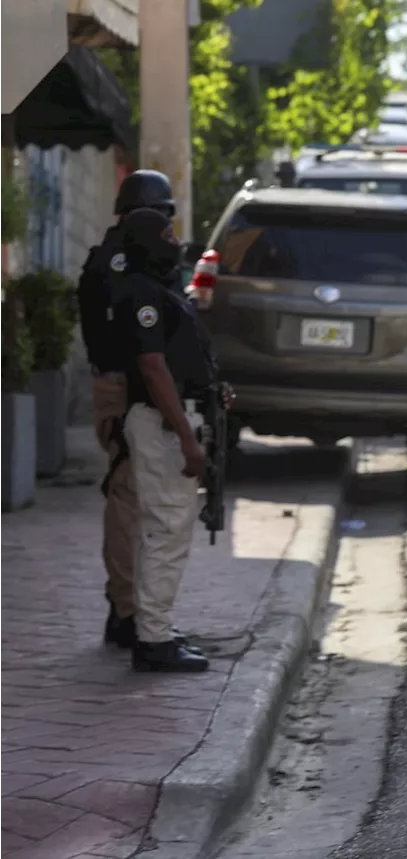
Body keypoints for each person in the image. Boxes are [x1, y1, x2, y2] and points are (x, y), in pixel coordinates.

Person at [77, 170, 197, 654]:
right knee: (128, 499)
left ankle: (135, 610)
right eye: (162, 218)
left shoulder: (113, 258)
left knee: (141, 501)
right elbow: (138, 343)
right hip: (127, 386)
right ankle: (127, 612)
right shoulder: (120, 264)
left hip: (138, 386)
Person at [111, 207, 229, 672]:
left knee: (161, 530)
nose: (174, 239)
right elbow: (153, 367)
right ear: (144, 241)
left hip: (174, 420)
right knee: (166, 531)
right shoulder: (141, 293)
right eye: (164, 233)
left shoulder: (160, 290)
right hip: (163, 426)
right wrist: (186, 438)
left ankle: (153, 627)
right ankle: (153, 641)